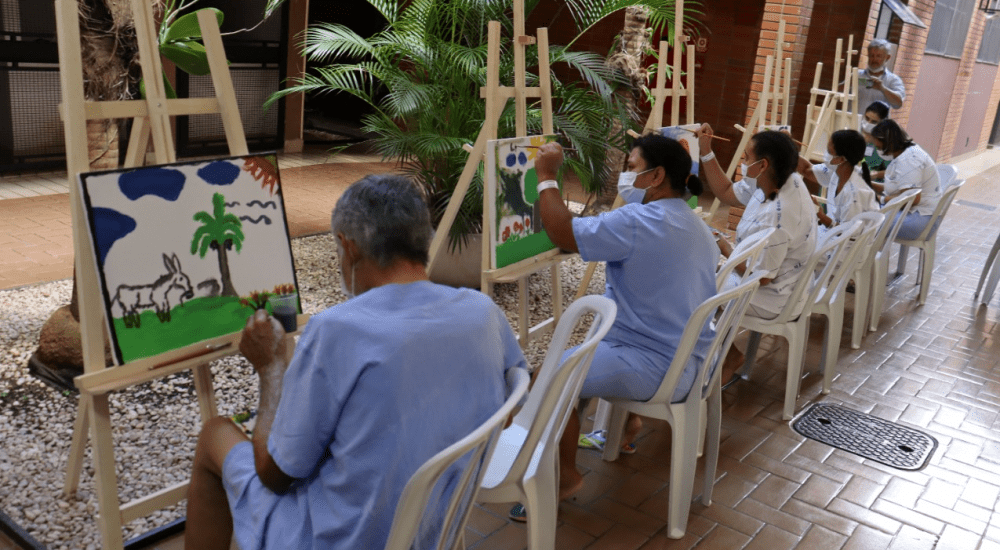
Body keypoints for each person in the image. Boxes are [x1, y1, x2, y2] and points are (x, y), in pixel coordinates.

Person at [184, 174, 528, 550]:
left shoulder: (337, 330)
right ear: (423, 241)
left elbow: (274, 475)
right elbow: (507, 409)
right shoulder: (482, 313)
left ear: (348, 248)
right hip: (432, 526)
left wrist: (271, 370)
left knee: (214, 433)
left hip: (337, 538)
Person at [528, 134, 719, 504]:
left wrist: (546, 176)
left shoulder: (640, 220)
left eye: (630, 168)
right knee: (581, 358)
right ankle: (628, 422)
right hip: (687, 359)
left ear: (656, 175)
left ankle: (564, 477)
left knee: (546, 378)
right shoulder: (693, 222)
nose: (624, 176)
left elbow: (562, 232)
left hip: (654, 362)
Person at [696, 125, 818, 381]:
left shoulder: (779, 215)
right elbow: (727, 192)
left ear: (762, 165)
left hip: (773, 295)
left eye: (746, 158)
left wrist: (724, 247)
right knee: (700, 277)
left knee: (691, 289)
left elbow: (762, 277)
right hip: (779, 279)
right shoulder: (781, 179)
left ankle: (724, 358)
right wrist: (706, 152)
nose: (743, 163)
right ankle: (719, 352)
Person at [868, 119, 942, 240]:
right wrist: (869, 184)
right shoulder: (907, 153)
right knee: (865, 215)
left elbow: (911, 199)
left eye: (879, 147)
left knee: (865, 222)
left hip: (920, 218)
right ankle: (870, 256)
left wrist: (879, 198)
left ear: (889, 143)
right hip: (916, 213)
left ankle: (868, 257)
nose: (879, 151)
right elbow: (898, 188)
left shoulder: (909, 159)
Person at [799, 129, 879, 235]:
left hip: (845, 247)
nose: (825, 153)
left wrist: (821, 216)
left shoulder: (854, 194)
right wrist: (785, 145)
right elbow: (806, 170)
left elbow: (847, 235)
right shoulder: (839, 170)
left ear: (841, 159)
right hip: (833, 235)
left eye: (829, 150)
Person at [857, 39, 906, 112]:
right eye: (871, 56)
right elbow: (836, 93)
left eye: (878, 56)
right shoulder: (857, 75)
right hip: (853, 122)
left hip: (878, 123)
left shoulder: (894, 80)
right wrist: (848, 83)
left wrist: (882, 88)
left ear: (887, 57)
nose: (874, 59)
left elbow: (898, 103)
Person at [861, 101, 891, 181]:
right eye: (867, 118)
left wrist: (876, 174)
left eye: (874, 122)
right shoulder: (853, 131)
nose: (868, 123)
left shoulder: (885, 144)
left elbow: (893, 171)